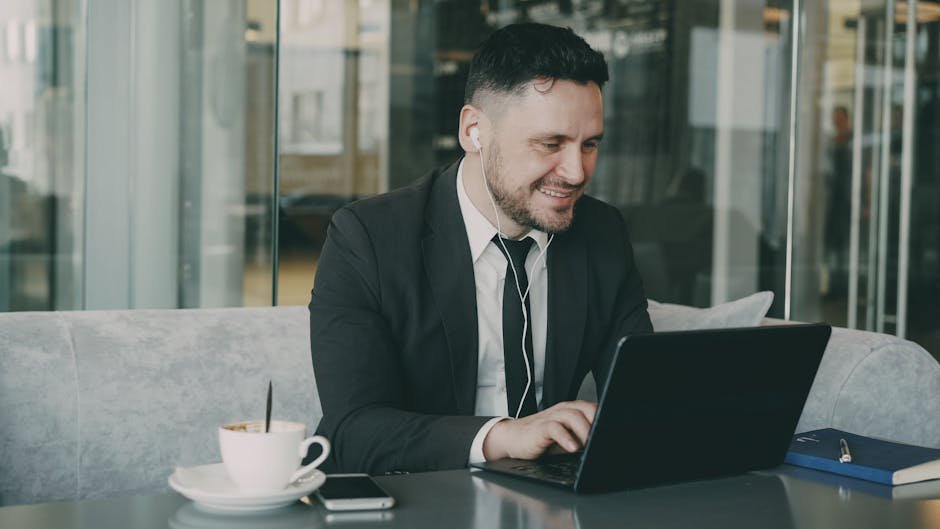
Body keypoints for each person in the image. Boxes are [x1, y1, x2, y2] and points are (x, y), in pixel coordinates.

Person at [308, 23, 651, 474]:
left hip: (548, 499)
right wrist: (504, 436)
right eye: (550, 144)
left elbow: (641, 398)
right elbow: (353, 430)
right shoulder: (366, 238)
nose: (575, 172)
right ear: (474, 130)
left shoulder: (601, 231)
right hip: (412, 496)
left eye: (589, 145)